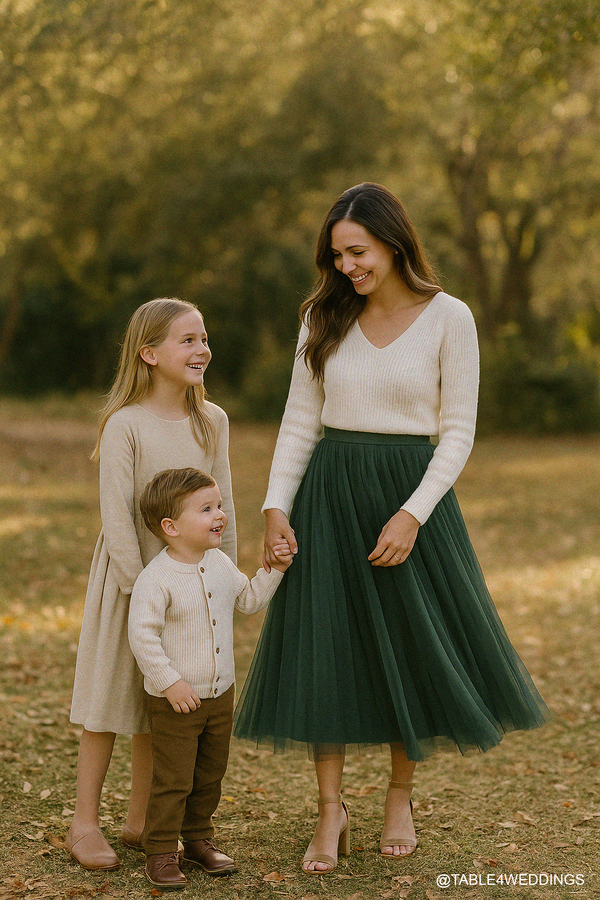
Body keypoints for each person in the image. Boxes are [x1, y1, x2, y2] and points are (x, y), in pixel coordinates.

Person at [233, 183, 550, 874]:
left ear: (393, 241)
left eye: (358, 251)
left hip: (412, 499)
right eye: (337, 255)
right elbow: (298, 421)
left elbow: (459, 432)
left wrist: (412, 512)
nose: (347, 266)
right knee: (328, 644)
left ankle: (400, 797)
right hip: (330, 494)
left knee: (410, 646)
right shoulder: (323, 316)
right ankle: (329, 810)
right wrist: (274, 507)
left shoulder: (449, 317)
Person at [67, 298, 237, 871]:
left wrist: (222, 583)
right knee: (109, 702)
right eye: (187, 340)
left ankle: (143, 821)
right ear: (149, 353)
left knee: (160, 705)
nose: (202, 349)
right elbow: (116, 518)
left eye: (203, 337)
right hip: (130, 584)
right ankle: (84, 823)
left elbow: (224, 507)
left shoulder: (211, 421)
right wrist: (147, 593)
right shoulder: (125, 424)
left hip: (193, 593)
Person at [128, 467, 293, 889]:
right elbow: (142, 637)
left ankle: (199, 838)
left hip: (220, 695)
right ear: (171, 526)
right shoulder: (156, 578)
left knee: (209, 774)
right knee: (174, 779)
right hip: (176, 701)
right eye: (207, 509)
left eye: (218, 506)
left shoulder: (218, 563)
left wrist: (274, 569)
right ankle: (162, 851)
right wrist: (169, 681)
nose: (220, 515)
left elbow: (248, 600)